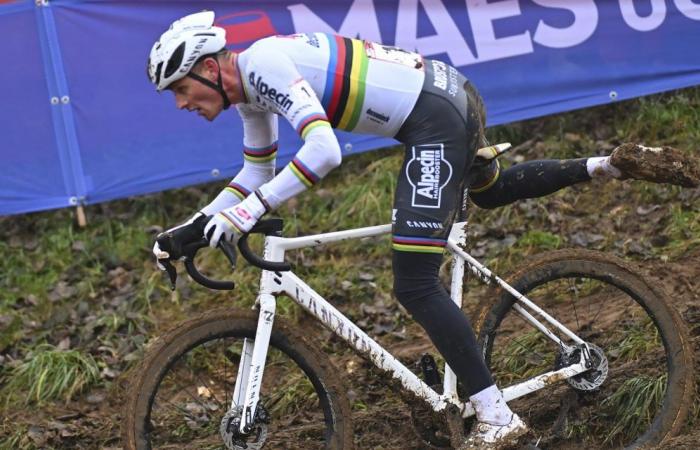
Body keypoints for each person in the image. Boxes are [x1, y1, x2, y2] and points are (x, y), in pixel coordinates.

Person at [147, 11, 699, 449]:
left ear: (209, 68)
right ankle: (608, 164)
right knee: (491, 190)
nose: (180, 104)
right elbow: (256, 174)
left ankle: (496, 417)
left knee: (413, 280)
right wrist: (192, 227)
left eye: (179, 89)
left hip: (431, 116)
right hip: (445, 93)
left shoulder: (264, 63)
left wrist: (241, 216)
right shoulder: (252, 92)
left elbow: (324, 149)